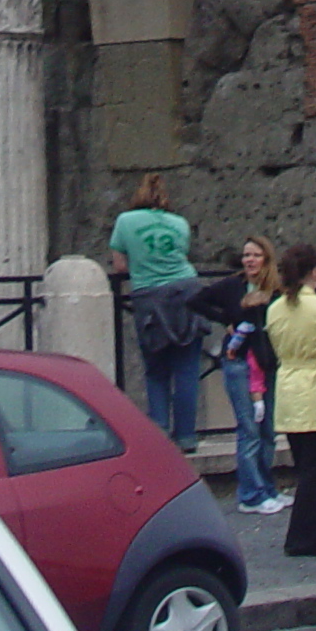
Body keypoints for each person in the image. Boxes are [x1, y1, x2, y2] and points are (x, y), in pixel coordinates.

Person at [195, 237, 288, 514]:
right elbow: (196, 301)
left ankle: (267, 487)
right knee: (249, 430)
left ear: (266, 259)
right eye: (246, 255)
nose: (249, 260)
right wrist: (227, 321)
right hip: (238, 362)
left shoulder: (276, 289)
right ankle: (250, 494)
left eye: (256, 255)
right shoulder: (232, 285)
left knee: (268, 430)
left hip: (267, 361)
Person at [110, 173, 203, 449]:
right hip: (188, 290)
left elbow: (119, 266)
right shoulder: (180, 223)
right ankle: (186, 436)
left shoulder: (125, 221)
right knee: (187, 369)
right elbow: (182, 257)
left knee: (156, 369)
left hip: (150, 297)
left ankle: (160, 432)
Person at [264, 244, 316, 556]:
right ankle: (301, 539)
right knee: (315, 470)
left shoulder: (274, 309)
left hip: (287, 388)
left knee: (310, 467)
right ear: (314, 272)